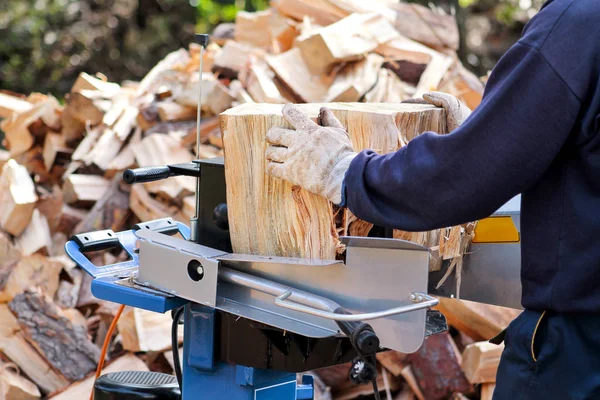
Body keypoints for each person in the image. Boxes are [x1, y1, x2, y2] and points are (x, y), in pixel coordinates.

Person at [263, 0, 600, 398]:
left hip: (579, 351)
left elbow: (470, 176)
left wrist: (344, 172)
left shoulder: (580, 21)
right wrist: (487, 135)